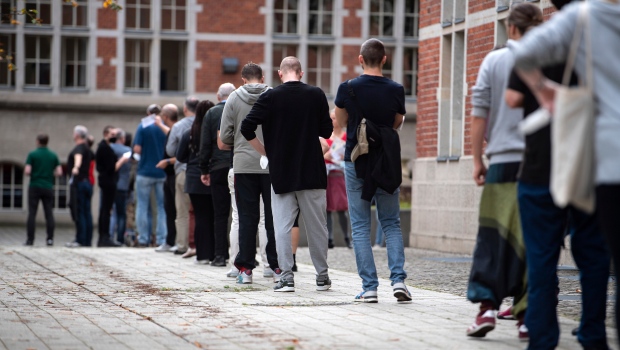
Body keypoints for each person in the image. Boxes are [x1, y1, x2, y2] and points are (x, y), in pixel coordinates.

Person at [511, 1, 616, 348]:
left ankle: (542, 339)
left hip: (541, 164)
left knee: (541, 259)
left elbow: (513, 97)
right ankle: (593, 334)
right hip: (588, 163)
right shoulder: (599, 44)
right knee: (594, 255)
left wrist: (543, 91)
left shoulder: (542, 46)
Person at [464, 4, 541, 340]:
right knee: (532, 237)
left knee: (493, 235)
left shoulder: (494, 61)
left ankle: (487, 308)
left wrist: (477, 159)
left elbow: (479, 112)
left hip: (502, 160)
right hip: (540, 162)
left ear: (511, 29)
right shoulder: (549, 61)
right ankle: (526, 314)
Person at [241, 57, 332, 292]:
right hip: (312, 169)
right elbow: (327, 130)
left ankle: (286, 278)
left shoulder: (270, 97)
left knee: (281, 226)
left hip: (281, 170)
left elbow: (246, 127)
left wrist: (266, 151)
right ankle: (322, 277)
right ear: (301, 73)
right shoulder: (316, 95)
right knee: (317, 226)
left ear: (279, 74)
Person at [334, 38, 411, 303]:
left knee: (359, 225)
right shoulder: (396, 89)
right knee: (391, 222)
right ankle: (399, 281)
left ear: (360, 59)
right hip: (387, 161)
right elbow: (397, 121)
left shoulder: (348, 88)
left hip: (357, 160)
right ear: (385, 59)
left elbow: (340, 121)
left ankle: (369, 288)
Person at [219, 63, 279, 282]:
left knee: (246, 218)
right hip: (271, 164)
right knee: (272, 218)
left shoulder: (234, 98)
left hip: (243, 165)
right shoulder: (274, 95)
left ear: (243, 79)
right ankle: (275, 267)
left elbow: (225, 136)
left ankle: (245, 269)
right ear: (262, 77)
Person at [177, 100, 217, 264]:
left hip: (194, 177)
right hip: (213, 175)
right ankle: (216, 253)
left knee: (200, 216)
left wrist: (192, 161)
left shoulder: (189, 132)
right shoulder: (216, 132)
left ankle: (202, 255)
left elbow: (180, 156)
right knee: (215, 216)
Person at [200, 83, 234, 267]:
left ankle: (220, 256)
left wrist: (204, 169)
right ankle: (248, 256)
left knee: (220, 214)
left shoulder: (211, 113)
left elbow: (205, 143)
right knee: (244, 214)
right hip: (238, 165)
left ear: (217, 95)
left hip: (218, 168)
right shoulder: (239, 109)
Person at [167, 97, 199, 257]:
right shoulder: (204, 123)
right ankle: (200, 244)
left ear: (185, 109)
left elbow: (171, 151)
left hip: (182, 172)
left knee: (182, 211)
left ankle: (182, 244)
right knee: (200, 211)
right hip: (201, 172)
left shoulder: (179, 126)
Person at [133, 104, 167, 247]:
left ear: (148, 112)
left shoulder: (143, 126)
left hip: (145, 171)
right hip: (161, 172)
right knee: (160, 207)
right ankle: (160, 239)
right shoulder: (165, 127)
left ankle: (143, 238)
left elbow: (137, 149)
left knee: (142, 205)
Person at [24, 134, 62, 246]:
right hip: (48, 186)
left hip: (34, 185)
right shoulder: (53, 155)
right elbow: (59, 172)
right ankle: (50, 239)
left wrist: (36, 173)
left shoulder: (32, 154)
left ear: (37, 141)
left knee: (32, 213)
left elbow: (27, 171)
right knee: (49, 213)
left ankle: (30, 240)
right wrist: (50, 174)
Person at [95, 126, 128, 247]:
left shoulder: (105, 147)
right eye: (112, 134)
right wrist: (122, 160)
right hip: (108, 182)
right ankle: (104, 237)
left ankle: (104, 237)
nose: (114, 136)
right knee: (106, 210)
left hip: (108, 181)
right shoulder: (104, 148)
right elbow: (111, 168)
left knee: (106, 209)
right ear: (105, 134)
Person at [324, 109, 352, 249]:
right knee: (327, 208)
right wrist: (324, 156)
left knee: (342, 207)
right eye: (331, 118)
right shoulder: (325, 135)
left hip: (339, 174)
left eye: (335, 118)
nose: (333, 121)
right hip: (326, 174)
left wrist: (344, 157)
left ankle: (347, 237)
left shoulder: (347, 136)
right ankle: (329, 239)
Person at [154, 105, 179, 252]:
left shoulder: (178, 129)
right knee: (169, 208)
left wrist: (167, 161)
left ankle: (177, 241)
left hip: (175, 174)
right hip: (169, 175)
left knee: (177, 210)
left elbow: (183, 156)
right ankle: (169, 241)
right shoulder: (173, 130)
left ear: (165, 117)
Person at [66, 125, 94, 247]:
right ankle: (87, 240)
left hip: (80, 184)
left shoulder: (79, 148)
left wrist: (76, 167)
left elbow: (78, 157)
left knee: (80, 211)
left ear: (77, 135)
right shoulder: (88, 148)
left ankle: (80, 240)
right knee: (87, 212)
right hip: (87, 183)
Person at [109, 128, 132, 245]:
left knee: (112, 212)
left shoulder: (110, 148)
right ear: (122, 139)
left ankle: (110, 236)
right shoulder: (127, 150)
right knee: (121, 214)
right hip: (123, 185)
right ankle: (120, 239)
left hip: (111, 184)